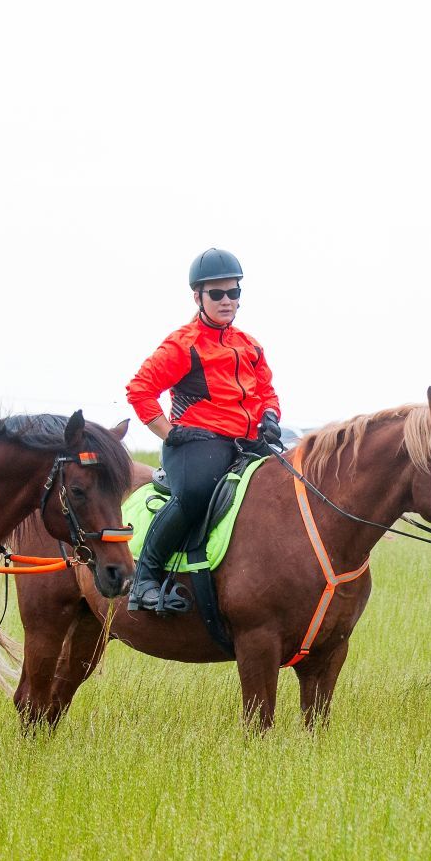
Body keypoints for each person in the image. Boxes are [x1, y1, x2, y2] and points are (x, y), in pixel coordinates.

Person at [125, 248, 281, 613]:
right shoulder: (183, 344)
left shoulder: (250, 344)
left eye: (234, 292)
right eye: (217, 294)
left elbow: (266, 391)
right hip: (197, 441)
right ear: (198, 297)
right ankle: (145, 580)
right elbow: (140, 388)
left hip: (244, 443)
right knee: (194, 494)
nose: (227, 301)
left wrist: (270, 416)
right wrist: (167, 432)